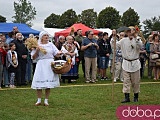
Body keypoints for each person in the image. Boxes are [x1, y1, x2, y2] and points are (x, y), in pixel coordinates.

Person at [31, 31, 62, 106]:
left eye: (47, 35)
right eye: (45, 35)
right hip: (41, 64)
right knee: (39, 83)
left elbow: (56, 54)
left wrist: (60, 53)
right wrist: (37, 50)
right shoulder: (36, 45)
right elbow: (33, 57)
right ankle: (39, 100)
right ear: (41, 37)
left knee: (48, 84)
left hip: (49, 63)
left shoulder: (51, 44)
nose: (46, 37)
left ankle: (46, 100)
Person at [116, 28, 143, 103]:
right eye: (128, 32)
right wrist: (114, 37)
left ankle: (136, 96)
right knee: (126, 81)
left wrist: (136, 38)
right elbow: (115, 45)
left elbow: (140, 45)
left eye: (131, 31)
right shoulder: (123, 40)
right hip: (126, 63)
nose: (130, 33)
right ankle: (126, 97)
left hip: (135, 63)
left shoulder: (137, 40)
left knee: (136, 81)